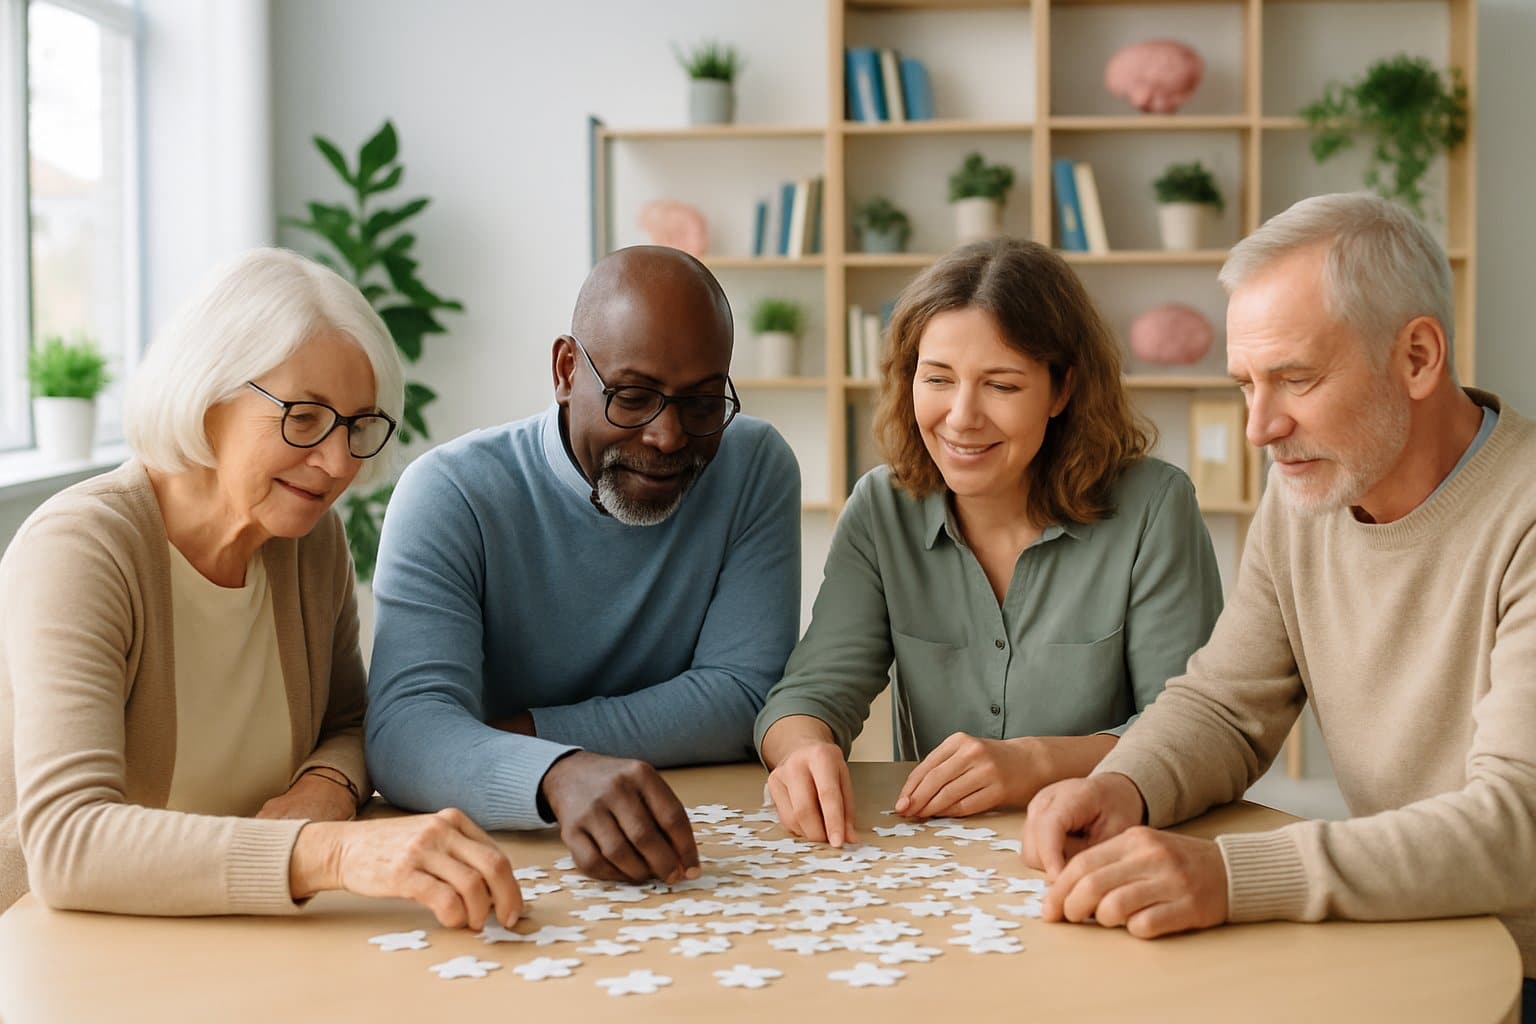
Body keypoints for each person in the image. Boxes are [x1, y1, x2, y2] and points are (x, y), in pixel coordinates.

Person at [1019, 193, 1536, 1018]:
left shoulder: (1525, 515)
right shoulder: (1312, 486)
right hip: (1398, 933)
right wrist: (1123, 785)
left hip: (1513, 966)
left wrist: (1234, 876)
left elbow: (1520, 831)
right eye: (1246, 384)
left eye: (1295, 377)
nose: (1260, 426)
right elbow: (1227, 703)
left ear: (1418, 356)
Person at [0, 248, 521, 930]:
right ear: (207, 391)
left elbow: (352, 723)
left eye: (356, 425)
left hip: (240, 933)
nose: (336, 463)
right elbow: (69, 843)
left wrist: (324, 787)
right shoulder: (81, 549)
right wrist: (327, 852)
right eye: (303, 417)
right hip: (57, 944)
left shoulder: (308, 541)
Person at [755, 237, 1223, 846]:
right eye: (938, 379)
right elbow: (811, 693)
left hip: (1108, 853)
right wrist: (802, 749)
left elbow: (1193, 734)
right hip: (933, 868)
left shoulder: (1155, 508)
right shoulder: (881, 509)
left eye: (1001, 386)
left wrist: (1032, 762)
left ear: (1062, 391)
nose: (961, 417)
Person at [366, 245, 801, 885]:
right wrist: (558, 773)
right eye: (632, 396)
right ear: (567, 370)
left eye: (703, 403)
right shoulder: (450, 493)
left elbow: (744, 694)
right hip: (497, 852)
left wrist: (523, 733)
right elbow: (406, 731)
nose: (667, 437)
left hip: (710, 843)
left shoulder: (753, 467)